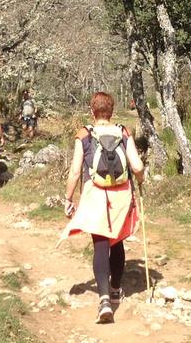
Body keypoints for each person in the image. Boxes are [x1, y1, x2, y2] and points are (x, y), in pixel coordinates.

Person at [60, 91, 144, 324]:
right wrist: (141, 180)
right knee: (116, 241)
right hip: (121, 195)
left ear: (92, 111)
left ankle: (104, 299)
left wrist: (68, 199)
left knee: (100, 244)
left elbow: (75, 171)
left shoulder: (84, 135)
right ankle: (116, 289)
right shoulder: (123, 132)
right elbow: (136, 165)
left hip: (95, 193)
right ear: (112, 111)